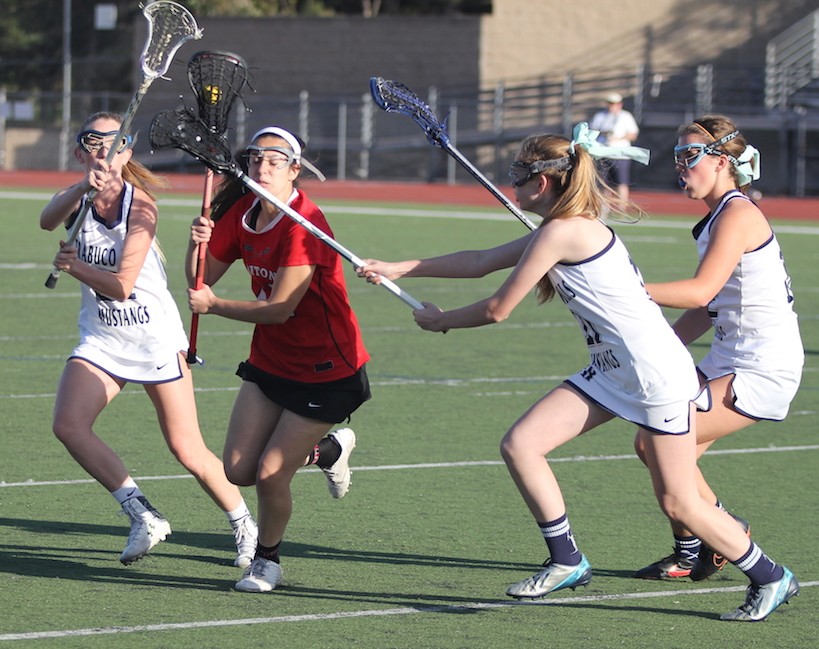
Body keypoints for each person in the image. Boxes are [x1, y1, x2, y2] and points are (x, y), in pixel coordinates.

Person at [357, 122, 799, 622]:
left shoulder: (565, 232)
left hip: (652, 376)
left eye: (518, 177)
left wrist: (442, 321)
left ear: (542, 182)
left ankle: (770, 575)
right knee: (522, 444)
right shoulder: (561, 230)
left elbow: (498, 308)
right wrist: (399, 267)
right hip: (613, 368)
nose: (512, 187)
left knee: (680, 502)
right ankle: (567, 559)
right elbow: (481, 261)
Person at [40, 111, 258, 567]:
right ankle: (142, 514)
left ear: (127, 153)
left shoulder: (140, 206)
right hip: (102, 339)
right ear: (80, 153)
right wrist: (81, 188)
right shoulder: (78, 200)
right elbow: (46, 220)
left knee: (187, 448)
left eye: (114, 142)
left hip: (153, 339)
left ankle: (244, 524)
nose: (104, 150)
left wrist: (74, 267)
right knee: (68, 425)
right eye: (94, 142)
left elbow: (122, 286)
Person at [185, 126, 369, 594]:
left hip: (327, 369)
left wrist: (215, 306)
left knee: (270, 473)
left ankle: (266, 562)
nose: (262, 167)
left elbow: (280, 308)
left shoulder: (305, 225)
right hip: (271, 359)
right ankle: (328, 451)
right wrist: (197, 241)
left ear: (294, 170)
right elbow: (201, 279)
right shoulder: (244, 212)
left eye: (274, 160)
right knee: (238, 470)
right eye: (255, 158)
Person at [632, 115, 805, 582]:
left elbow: (700, 292)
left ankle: (722, 535)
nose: (680, 165)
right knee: (656, 446)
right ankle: (699, 546)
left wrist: (625, 289)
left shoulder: (737, 215)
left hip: (762, 366)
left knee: (658, 438)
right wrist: (660, 344)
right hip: (730, 356)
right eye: (677, 156)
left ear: (723, 161)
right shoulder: (717, 217)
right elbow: (710, 309)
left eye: (690, 155)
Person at [589, 92, 640, 207]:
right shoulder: (600, 116)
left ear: (620, 104)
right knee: (603, 183)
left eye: (614, 103)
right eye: (610, 103)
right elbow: (592, 131)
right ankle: (604, 207)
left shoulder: (626, 116)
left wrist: (618, 137)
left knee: (622, 182)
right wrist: (604, 133)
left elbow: (633, 134)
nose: (612, 106)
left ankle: (622, 207)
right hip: (603, 153)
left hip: (620, 154)